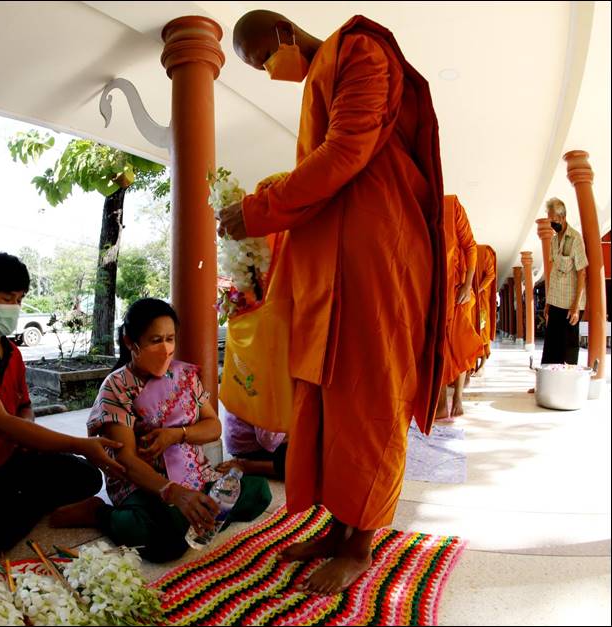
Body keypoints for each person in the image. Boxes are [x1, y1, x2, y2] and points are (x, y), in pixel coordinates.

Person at [219, 11, 445, 594]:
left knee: (369, 395)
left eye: (264, 58)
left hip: (379, 257)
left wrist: (261, 209)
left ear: (287, 36)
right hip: (332, 266)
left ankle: (362, 542)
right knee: (326, 398)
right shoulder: (324, 70)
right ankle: (335, 527)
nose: (269, 74)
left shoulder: (361, 52)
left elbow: (346, 153)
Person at [0, 251, 124, 555]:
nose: (15, 307)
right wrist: (81, 444)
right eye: (7, 298)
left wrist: (29, 429)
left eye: (19, 299)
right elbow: (3, 422)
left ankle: (19, 500)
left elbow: (22, 409)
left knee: (87, 476)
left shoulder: (12, 354)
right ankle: (27, 502)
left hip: (11, 462)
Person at [51, 298, 272, 563]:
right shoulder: (117, 387)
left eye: (170, 339)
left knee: (259, 492)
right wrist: (173, 492)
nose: (166, 349)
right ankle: (100, 513)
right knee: (162, 541)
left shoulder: (185, 377)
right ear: (130, 342)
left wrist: (178, 434)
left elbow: (213, 426)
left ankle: (197, 512)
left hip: (193, 474)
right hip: (143, 483)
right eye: (156, 340)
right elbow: (126, 460)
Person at [435, 195, 482, 419]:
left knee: (460, 346)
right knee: (439, 347)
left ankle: (458, 397)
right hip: (434, 292)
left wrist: (467, 284)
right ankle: (441, 400)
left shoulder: (451, 205)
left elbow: (470, 246)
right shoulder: (417, 204)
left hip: (457, 292)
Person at [541, 197, 588, 365]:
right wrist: (548, 302)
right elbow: (554, 273)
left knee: (567, 348)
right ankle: (546, 383)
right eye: (549, 221)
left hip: (570, 305)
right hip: (555, 302)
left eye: (553, 220)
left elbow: (582, 272)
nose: (552, 224)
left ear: (562, 217)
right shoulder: (554, 241)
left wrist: (576, 306)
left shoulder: (575, 239)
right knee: (551, 346)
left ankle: (567, 387)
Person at [218, 408, 287, 480]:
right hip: (251, 447)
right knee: (296, 462)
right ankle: (246, 466)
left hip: (250, 440)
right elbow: (269, 439)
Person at [472, 244, 497, 375]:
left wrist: (478, 289)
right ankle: (469, 364)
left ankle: (482, 365)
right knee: (469, 332)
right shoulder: (461, 251)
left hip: (481, 300)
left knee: (482, 331)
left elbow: (490, 275)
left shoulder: (483, 252)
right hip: (468, 300)